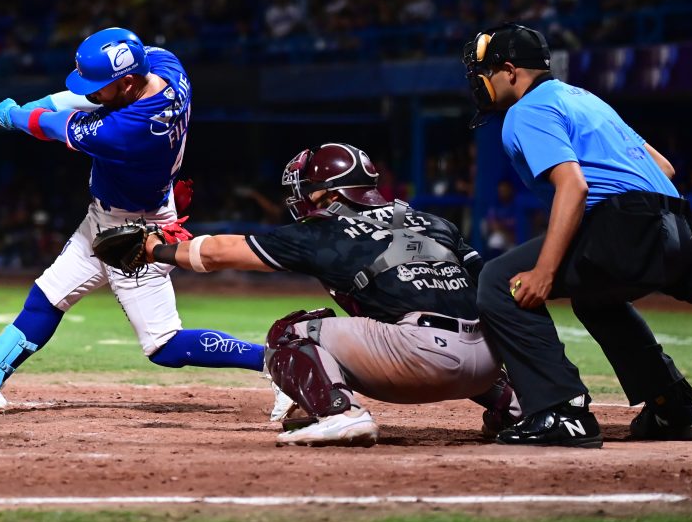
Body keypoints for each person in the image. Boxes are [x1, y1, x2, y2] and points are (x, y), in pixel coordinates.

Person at [0, 27, 265, 414]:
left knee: (165, 345)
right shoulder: (168, 69)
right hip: (107, 216)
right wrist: (36, 104)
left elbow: (54, 125)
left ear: (129, 82)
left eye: (101, 85)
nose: (92, 92)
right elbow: (76, 100)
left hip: (137, 234)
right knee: (47, 297)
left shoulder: (126, 132)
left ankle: (276, 361)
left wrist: (20, 116)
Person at [101, 142, 520, 447]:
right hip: (486, 362)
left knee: (291, 331)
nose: (301, 201)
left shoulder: (326, 229)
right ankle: (513, 406)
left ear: (331, 193)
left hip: (418, 360)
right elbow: (492, 289)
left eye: (307, 191)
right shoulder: (434, 221)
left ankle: (342, 416)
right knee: (459, 322)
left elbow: (224, 251)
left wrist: (157, 248)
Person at [462, 22, 692, 448]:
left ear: (509, 70)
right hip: (680, 232)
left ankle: (560, 409)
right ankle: (671, 405)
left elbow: (574, 186)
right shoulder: (585, 99)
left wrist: (545, 270)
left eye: (484, 71)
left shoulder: (527, 110)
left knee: (499, 282)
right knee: (597, 299)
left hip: (630, 228)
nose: (479, 82)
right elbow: (664, 168)